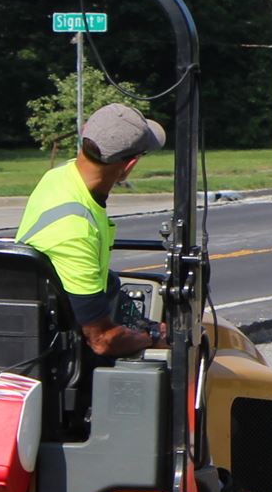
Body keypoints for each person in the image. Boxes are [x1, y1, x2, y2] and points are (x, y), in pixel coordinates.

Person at [18, 103, 168, 359]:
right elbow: (102, 341)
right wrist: (152, 337)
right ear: (128, 166)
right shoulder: (75, 228)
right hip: (64, 356)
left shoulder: (58, 177)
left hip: (48, 324)